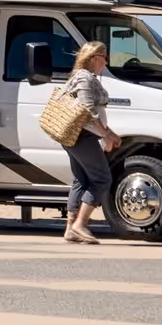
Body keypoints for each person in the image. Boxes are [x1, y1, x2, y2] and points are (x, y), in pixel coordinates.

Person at [59, 40, 122, 245]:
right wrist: (105, 134)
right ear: (95, 58)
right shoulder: (84, 78)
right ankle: (81, 224)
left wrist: (109, 133)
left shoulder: (82, 76)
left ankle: (70, 228)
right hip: (82, 137)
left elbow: (92, 114)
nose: (106, 62)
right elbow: (87, 110)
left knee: (81, 179)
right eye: (105, 58)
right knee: (102, 179)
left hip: (77, 136)